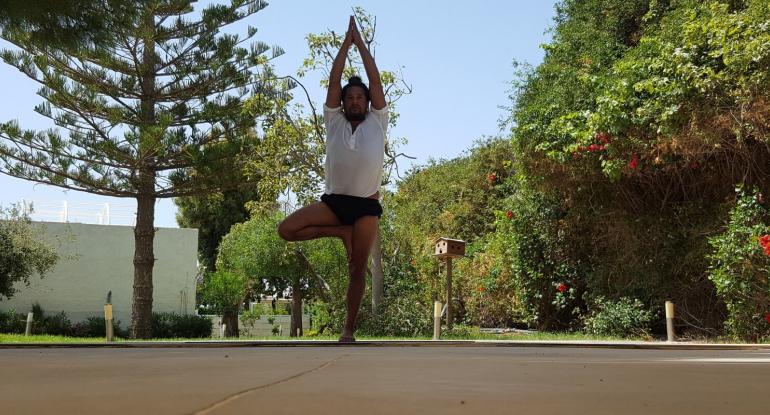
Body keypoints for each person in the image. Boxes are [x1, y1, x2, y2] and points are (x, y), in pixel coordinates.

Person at [277, 16, 387, 342]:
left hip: (366, 206)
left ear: (367, 103)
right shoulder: (334, 121)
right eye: (349, 97)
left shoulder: (377, 121)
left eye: (359, 97)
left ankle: (348, 330)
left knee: (357, 269)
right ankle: (341, 232)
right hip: (335, 203)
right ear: (342, 102)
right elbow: (333, 80)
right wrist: (345, 44)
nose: (354, 100)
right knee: (287, 230)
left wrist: (361, 45)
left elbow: (376, 81)